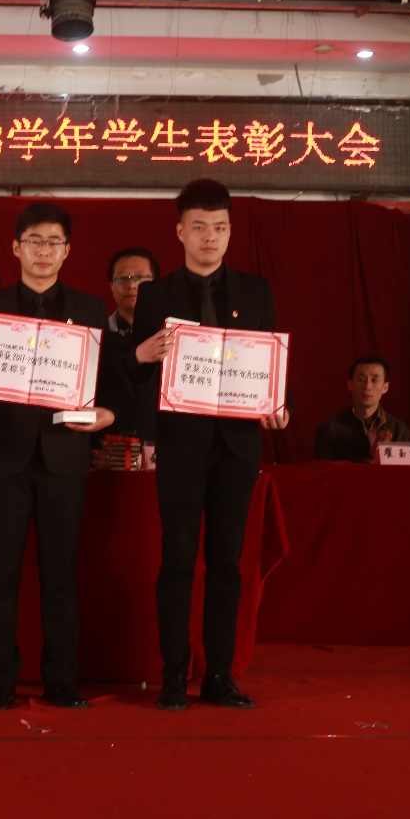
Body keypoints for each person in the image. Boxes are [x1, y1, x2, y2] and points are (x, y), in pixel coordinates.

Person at [131, 178, 289, 711]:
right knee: (177, 559)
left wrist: (278, 406)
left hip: (238, 446)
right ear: (180, 231)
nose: (210, 237)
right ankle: (174, 675)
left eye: (219, 227)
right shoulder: (155, 295)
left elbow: (269, 365)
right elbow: (133, 377)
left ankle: (219, 675)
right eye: (199, 227)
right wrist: (140, 355)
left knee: (227, 562)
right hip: (180, 446)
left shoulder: (256, 291)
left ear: (230, 232)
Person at [0, 202, 115, 711]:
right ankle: (0, 682)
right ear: (15, 247)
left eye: (53, 242)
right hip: (7, 457)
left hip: (65, 456)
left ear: (67, 251)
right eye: (34, 240)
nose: (43, 250)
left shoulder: (91, 309)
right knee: (0, 575)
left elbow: (106, 382)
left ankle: (61, 682)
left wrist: (107, 414)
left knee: (61, 576)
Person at [98, 248, 159, 440]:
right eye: (122, 278)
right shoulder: (97, 335)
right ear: (111, 286)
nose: (132, 285)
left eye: (141, 278)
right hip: (112, 441)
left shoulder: (172, 335)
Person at [314, 356, 410, 461]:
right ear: (350, 384)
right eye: (361, 379)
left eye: (374, 380)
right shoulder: (329, 429)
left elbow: (406, 469)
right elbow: (328, 470)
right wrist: (372, 456)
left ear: (385, 387)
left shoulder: (399, 430)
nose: (367, 387)